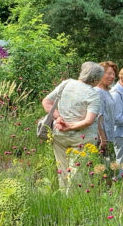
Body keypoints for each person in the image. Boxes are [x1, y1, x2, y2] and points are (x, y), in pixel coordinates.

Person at [42, 62, 103, 192]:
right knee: (77, 173)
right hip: (82, 138)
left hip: (59, 134)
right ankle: (72, 201)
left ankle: (64, 197)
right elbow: (89, 121)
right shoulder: (93, 95)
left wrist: (59, 118)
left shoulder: (66, 83)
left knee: (62, 169)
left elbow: (46, 102)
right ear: (96, 80)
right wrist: (70, 127)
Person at [95, 61, 118, 161]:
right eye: (108, 73)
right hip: (100, 139)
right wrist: (103, 139)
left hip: (109, 136)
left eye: (113, 74)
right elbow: (98, 116)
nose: (112, 76)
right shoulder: (97, 92)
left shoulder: (107, 91)